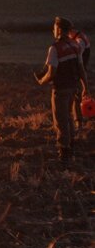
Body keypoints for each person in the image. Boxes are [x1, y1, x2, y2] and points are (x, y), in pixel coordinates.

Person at [36, 17, 88, 163]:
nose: (53, 30)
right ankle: (71, 145)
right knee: (69, 117)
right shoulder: (75, 45)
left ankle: (63, 153)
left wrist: (41, 81)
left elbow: (51, 72)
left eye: (54, 27)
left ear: (58, 29)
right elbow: (81, 69)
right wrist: (85, 87)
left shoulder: (54, 48)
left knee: (60, 120)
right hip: (73, 87)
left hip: (60, 89)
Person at [68, 28, 91, 128]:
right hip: (81, 71)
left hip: (78, 73)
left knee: (76, 98)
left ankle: (78, 123)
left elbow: (78, 59)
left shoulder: (79, 41)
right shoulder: (82, 36)